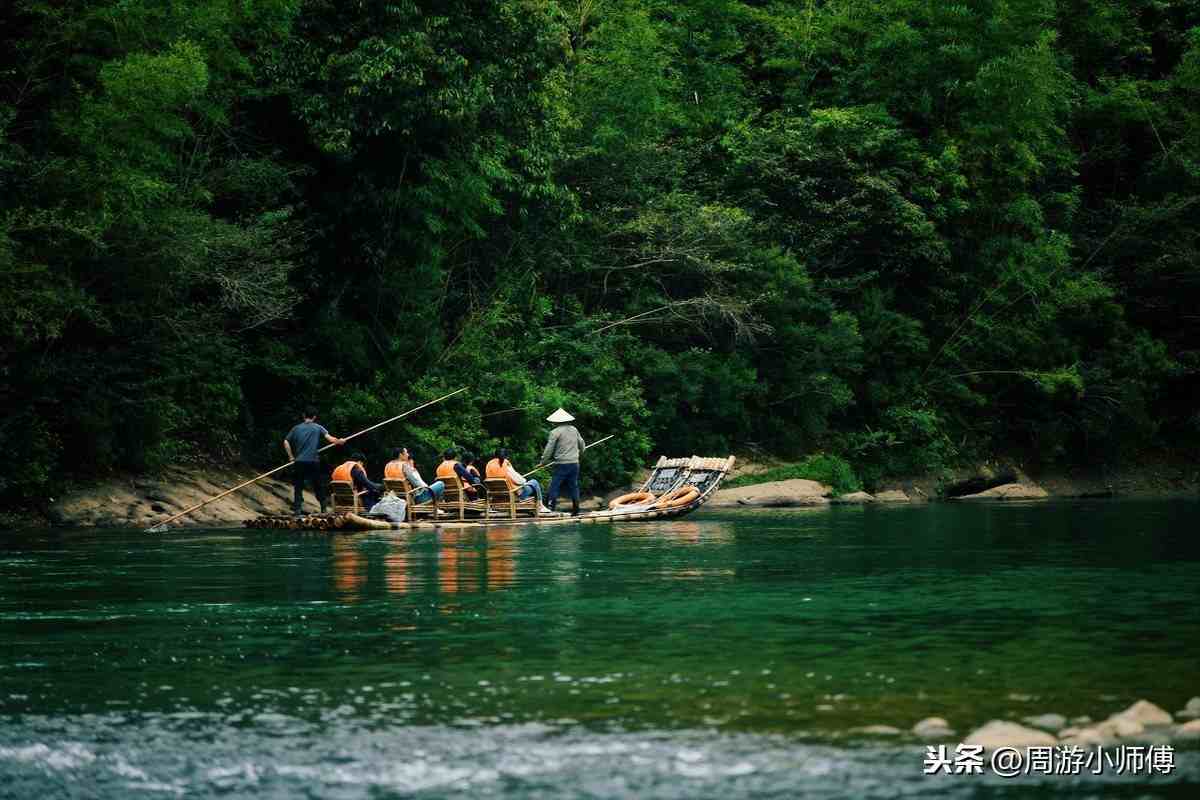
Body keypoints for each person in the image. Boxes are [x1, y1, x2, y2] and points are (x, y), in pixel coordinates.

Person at [283, 407, 345, 515]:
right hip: (313, 461)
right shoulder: (318, 427)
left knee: (298, 486)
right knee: (318, 485)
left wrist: (291, 456)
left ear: (304, 415)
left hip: (299, 462)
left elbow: (285, 442)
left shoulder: (296, 428)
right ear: (314, 417)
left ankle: (297, 510)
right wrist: (340, 441)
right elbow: (331, 439)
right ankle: (323, 508)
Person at [542, 407, 585, 515]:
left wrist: (543, 462)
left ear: (556, 421)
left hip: (561, 464)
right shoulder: (574, 429)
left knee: (555, 485)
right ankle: (576, 510)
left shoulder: (555, 432)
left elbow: (549, 449)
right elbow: (581, 443)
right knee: (573, 486)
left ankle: (550, 509)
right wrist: (581, 452)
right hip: (574, 463)